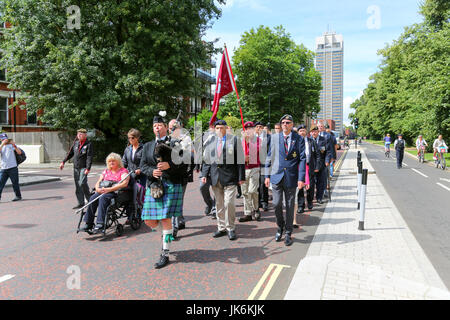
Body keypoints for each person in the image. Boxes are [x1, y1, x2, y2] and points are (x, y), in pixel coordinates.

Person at [140, 114, 187, 269]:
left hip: (171, 184)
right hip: (154, 185)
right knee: (148, 220)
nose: (157, 128)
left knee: (165, 219)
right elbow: (143, 165)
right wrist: (152, 171)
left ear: (166, 127)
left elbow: (184, 165)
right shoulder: (146, 146)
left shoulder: (175, 143)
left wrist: (170, 166)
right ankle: (166, 234)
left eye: (159, 125)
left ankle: (165, 252)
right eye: (154, 126)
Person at [264, 114, 306, 246]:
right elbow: (269, 157)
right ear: (281, 125)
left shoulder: (298, 138)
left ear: (292, 124)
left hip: (291, 177)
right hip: (276, 176)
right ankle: (279, 226)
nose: (285, 125)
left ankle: (288, 232)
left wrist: (301, 178)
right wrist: (267, 175)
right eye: (283, 123)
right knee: (276, 204)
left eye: (288, 122)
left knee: (289, 205)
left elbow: (303, 159)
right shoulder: (275, 138)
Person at [201, 119, 245, 241]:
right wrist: (204, 174)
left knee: (228, 203)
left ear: (226, 128)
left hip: (230, 177)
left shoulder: (234, 140)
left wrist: (241, 177)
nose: (219, 130)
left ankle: (230, 227)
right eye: (217, 128)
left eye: (222, 128)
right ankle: (221, 227)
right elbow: (207, 160)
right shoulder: (211, 142)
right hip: (215, 177)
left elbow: (240, 160)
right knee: (219, 204)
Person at [79, 152, 130, 233]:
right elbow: (98, 182)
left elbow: (124, 184)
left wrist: (110, 189)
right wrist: (97, 189)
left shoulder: (123, 171)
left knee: (103, 198)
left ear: (118, 162)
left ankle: (100, 223)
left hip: (116, 193)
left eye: (113, 161)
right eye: (109, 161)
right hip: (103, 191)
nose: (111, 163)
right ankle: (88, 223)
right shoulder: (106, 171)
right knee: (93, 197)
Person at [168, 118, 193, 235]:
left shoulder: (186, 138)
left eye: (174, 127)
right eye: (170, 128)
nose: (172, 130)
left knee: (178, 199)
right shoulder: (167, 139)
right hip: (168, 174)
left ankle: (175, 227)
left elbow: (187, 156)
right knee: (173, 199)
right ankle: (179, 220)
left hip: (182, 173)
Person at [60, 128, 94, 209]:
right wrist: (63, 162)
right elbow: (70, 154)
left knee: (82, 183)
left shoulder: (88, 144)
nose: (79, 135)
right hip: (76, 167)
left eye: (81, 134)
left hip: (83, 167)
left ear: (85, 135)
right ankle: (80, 203)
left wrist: (88, 168)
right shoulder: (75, 143)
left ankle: (89, 200)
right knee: (78, 186)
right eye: (78, 134)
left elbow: (89, 157)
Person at [238, 121, 262, 222]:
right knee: (245, 192)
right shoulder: (240, 141)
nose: (248, 131)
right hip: (243, 169)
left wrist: (249, 143)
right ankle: (247, 213)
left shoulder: (258, 140)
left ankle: (256, 208)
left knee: (252, 190)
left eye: (250, 129)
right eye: (246, 129)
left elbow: (258, 150)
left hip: (254, 168)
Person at [122, 128, 146, 223]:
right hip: (130, 176)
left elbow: (146, 162)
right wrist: (121, 171)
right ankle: (130, 216)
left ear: (137, 138)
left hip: (141, 176)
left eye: (132, 138)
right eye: (128, 138)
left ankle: (141, 214)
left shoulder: (143, 148)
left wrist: (140, 169)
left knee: (139, 196)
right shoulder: (128, 149)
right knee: (129, 195)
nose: (130, 140)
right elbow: (124, 162)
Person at [296, 125, 321, 214]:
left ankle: (310, 202)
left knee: (310, 186)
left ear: (306, 132)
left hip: (310, 166)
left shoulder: (311, 141)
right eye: (300, 131)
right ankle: (300, 205)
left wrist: (317, 166)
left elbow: (318, 155)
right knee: (300, 187)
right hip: (299, 167)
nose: (302, 132)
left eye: (303, 130)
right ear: (298, 132)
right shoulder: (295, 142)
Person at [310, 126, 330, 204]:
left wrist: (327, 161)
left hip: (322, 164)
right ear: (310, 133)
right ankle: (310, 199)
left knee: (320, 182)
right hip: (312, 164)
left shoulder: (323, 140)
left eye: (315, 131)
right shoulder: (308, 140)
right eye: (312, 132)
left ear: (318, 132)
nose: (314, 133)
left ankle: (319, 198)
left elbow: (328, 152)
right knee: (311, 183)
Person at [0, 133, 23, 202]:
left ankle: (18, 196)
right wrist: (2, 144)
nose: (5, 140)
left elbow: (19, 153)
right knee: (0, 183)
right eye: (3, 139)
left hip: (13, 168)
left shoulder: (11, 145)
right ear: (1, 139)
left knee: (15, 183)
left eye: (6, 139)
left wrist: (14, 145)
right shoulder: (1, 146)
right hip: (3, 168)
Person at [255, 121, 270, 211]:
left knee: (263, 183)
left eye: (261, 126)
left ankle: (264, 202)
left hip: (265, 164)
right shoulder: (251, 138)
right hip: (254, 163)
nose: (259, 128)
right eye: (257, 126)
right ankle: (258, 201)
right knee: (256, 183)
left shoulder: (268, 137)